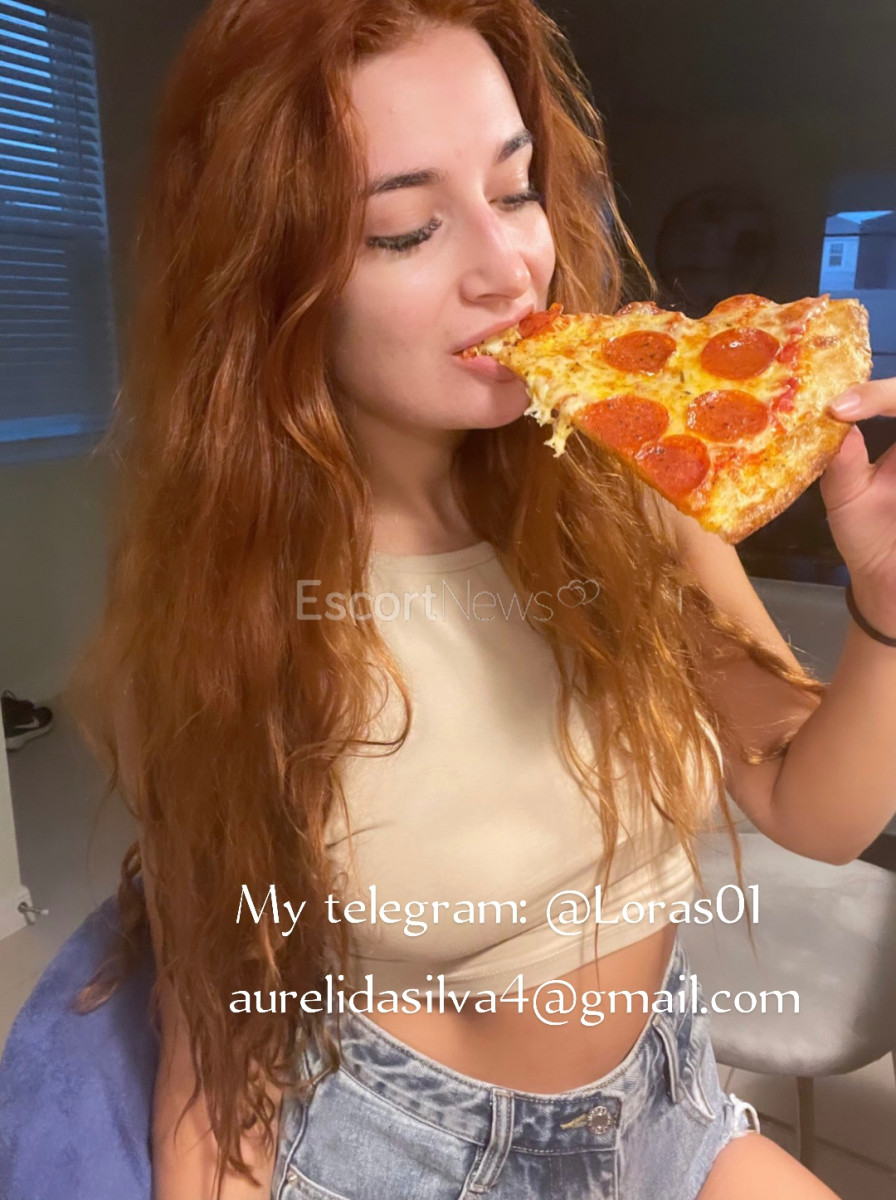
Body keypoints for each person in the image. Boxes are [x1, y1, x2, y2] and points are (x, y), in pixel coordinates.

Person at [64, 0, 896, 1197]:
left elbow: (812, 809)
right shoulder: (233, 604)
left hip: (665, 1110)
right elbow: (217, 1046)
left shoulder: (620, 486)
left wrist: (881, 605)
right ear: (272, 280)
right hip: (402, 1155)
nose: (508, 269)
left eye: (514, 191)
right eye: (405, 229)